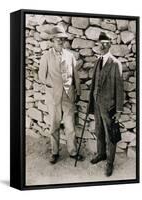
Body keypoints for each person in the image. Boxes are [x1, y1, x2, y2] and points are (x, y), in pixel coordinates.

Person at [39, 25, 84, 164]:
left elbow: (75, 75)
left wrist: (77, 90)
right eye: (57, 38)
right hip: (53, 97)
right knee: (54, 125)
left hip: (68, 97)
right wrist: (53, 86)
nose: (60, 41)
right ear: (52, 40)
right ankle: (55, 152)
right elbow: (41, 76)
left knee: (70, 126)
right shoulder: (46, 56)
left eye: (62, 39)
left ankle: (73, 152)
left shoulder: (69, 55)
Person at [89, 32, 124, 176]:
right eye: (100, 43)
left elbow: (120, 89)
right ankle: (101, 154)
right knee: (99, 131)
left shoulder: (115, 63)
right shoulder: (98, 61)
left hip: (109, 106)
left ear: (110, 45)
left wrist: (119, 110)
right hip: (97, 104)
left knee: (111, 135)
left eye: (105, 43)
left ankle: (110, 162)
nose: (102, 46)